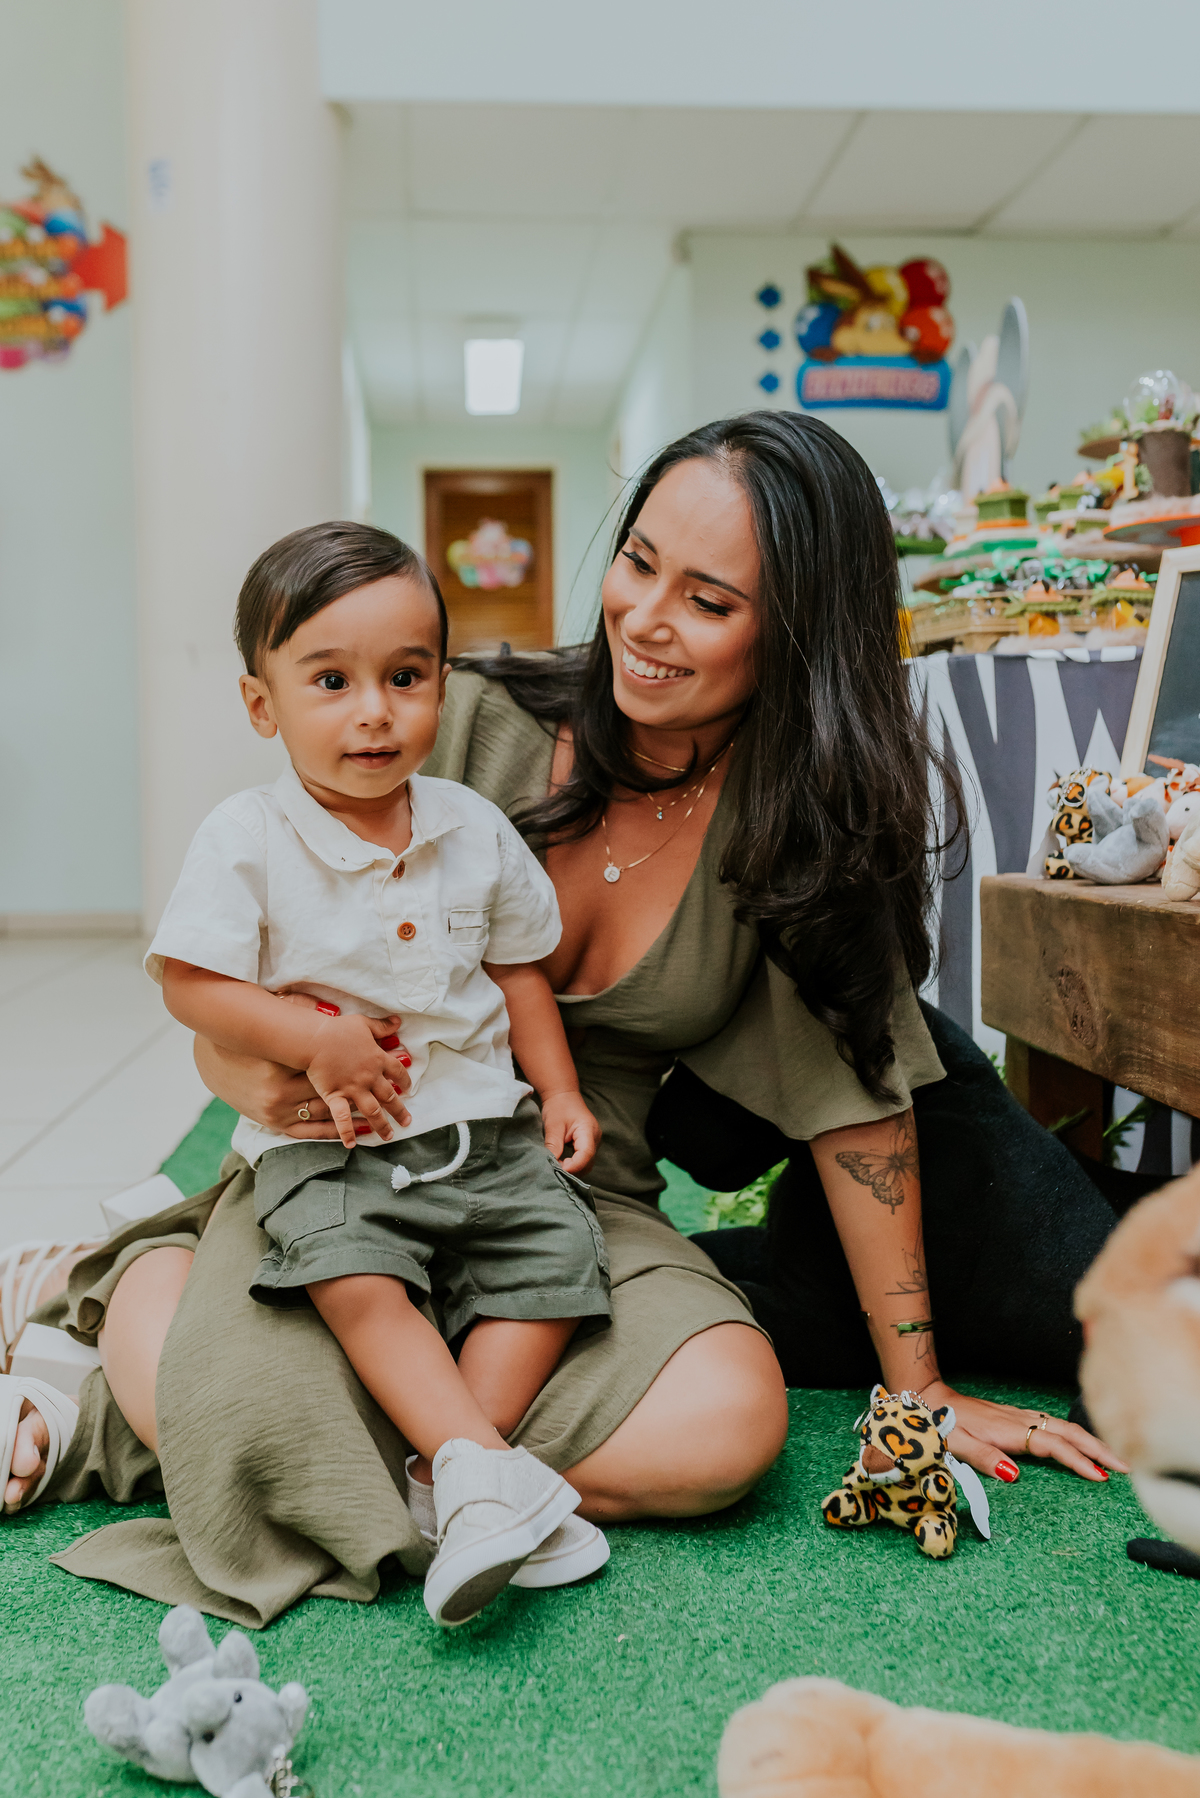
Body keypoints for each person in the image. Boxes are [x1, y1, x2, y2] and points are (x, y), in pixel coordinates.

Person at [4, 413, 1124, 1626]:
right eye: (638, 562)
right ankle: (415, 1466)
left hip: (569, 1214)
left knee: (732, 1421)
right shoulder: (457, 723)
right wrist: (255, 1068)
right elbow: (231, 987)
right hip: (348, 1167)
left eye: (708, 600)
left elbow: (860, 1107)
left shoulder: (793, 832)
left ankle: (325, 1459)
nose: (644, 619)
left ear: (798, 634)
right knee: (193, 1329)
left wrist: (919, 1388)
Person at [147, 523, 613, 1626]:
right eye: (331, 679)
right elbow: (191, 986)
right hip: (335, 1145)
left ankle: (458, 1476)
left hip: (484, 1134)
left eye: (405, 677)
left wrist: (556, 1090)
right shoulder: (248, 836)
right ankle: (474, 1466)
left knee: (557, 1259)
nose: (374, 710)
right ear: (263, 704)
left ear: (441, 687)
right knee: (353, 1278)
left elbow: (519, 974)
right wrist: (311, 1039)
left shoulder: (474, 828)